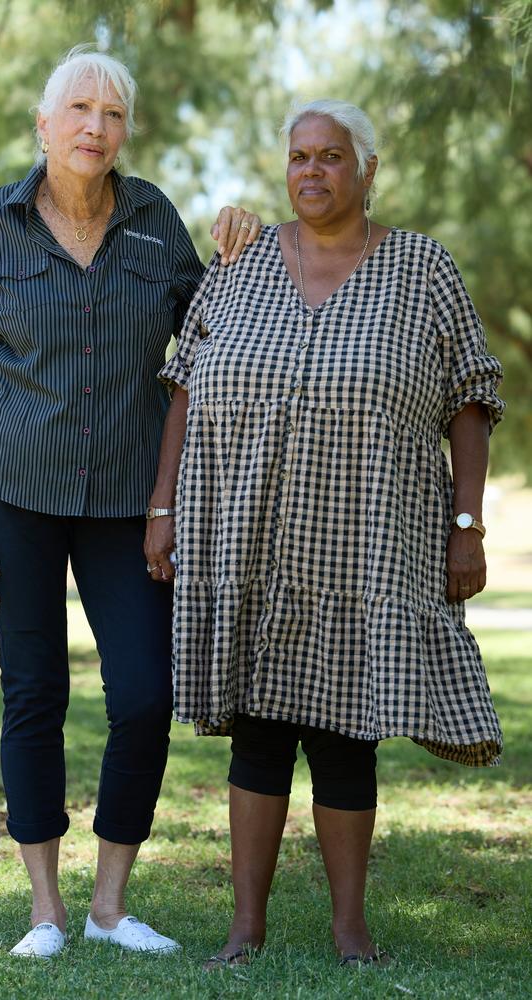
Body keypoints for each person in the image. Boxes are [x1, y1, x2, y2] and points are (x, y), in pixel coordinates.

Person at [145, 98, 504, 968]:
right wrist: (161, 509)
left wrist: (467, 523)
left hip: (369, 545)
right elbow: (184, 383)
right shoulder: (240, 262)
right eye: (300, 156)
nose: (312, 171)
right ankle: (245, 929)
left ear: (366, 169)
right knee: (260, 730)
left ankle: (351, 932)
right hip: (248, 539)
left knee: (347, 735)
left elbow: (472, 396)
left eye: (332, 157)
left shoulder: (422, 269)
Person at [0, 45, 261, 959]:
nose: (94, 127)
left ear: (126, 130)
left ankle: (111, 904)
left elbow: (211, 336)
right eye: (78, 109)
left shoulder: (155, 221)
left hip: (125, 498)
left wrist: (241, 250)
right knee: (34, 691)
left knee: (146, 693)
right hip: (10, 492)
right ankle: (47, 911)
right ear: (44, 124)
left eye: (112, 114)